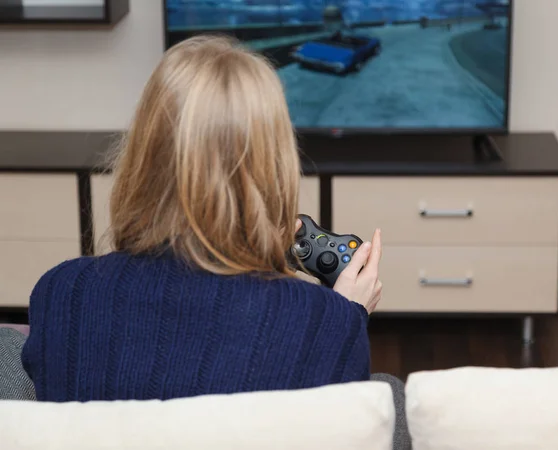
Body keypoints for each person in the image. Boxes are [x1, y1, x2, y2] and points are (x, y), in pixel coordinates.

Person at [21, 36, 383, 402]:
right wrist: (349, 314)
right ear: (273, 165)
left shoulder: (60, 293)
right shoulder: (327, 324)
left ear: (144, 153)